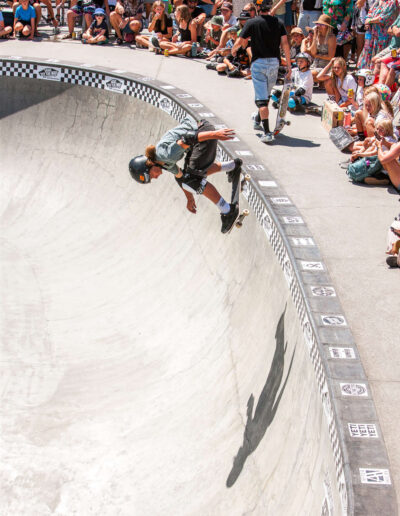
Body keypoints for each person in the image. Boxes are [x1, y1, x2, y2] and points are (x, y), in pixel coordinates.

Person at [128, 117, 244, 233]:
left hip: (202, 134)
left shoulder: (165, 155)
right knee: (192, 175)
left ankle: (228, 211)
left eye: (151, 176)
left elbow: (188, 138)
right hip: (199, 135)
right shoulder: (164, 164)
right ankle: (233, 166)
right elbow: (181, 177)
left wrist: (216, 134)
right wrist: (189, 198)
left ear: (150, 165)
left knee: (194, 180)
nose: (155, 177)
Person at [231, 0, 291, 143]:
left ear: (258, 8)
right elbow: (285, 44)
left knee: (262, 101)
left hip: (259, 63)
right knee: (266, 94)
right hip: (274, 63)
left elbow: (240, 40)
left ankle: (267, 132)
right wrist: (288, 65)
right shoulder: (279, 23)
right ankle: (257, 118)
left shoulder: (252, 23)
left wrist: (233, 50)